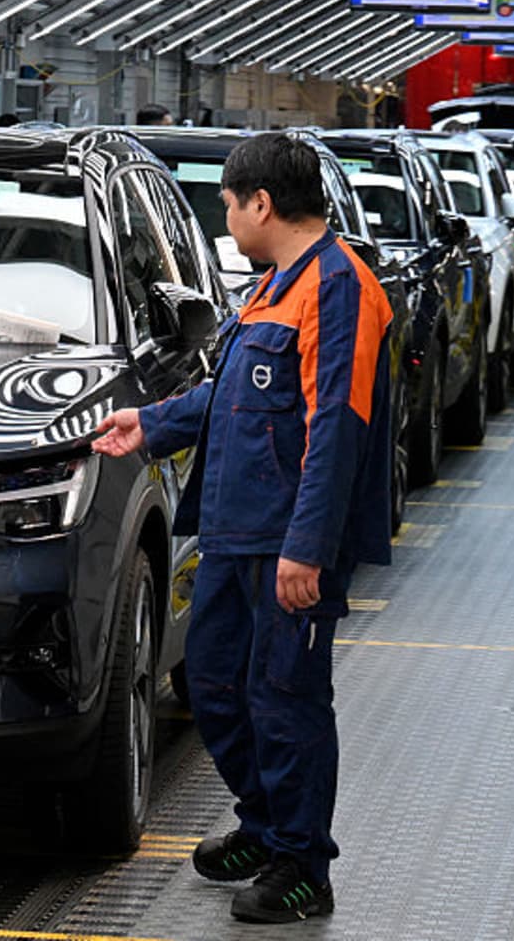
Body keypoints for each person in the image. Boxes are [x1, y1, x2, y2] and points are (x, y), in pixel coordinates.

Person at [90, 133, 393, 924]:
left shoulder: (337, 288)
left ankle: (302, 863)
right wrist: (150, 423)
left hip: (285, 541)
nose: (224, 217)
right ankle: (267, 825)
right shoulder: (272, 288)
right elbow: (233, 397)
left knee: (286, 698)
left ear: (262, 203)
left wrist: (309, 548)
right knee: (218, 686)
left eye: (228, 203)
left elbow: (338, 426)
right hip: (232, 531)